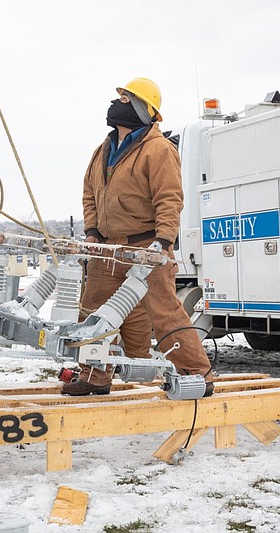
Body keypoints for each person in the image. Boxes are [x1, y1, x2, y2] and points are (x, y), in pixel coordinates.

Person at [63, 78, 214, 397]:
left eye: (125, 98)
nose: (117, 102)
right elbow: (90, 193)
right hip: (108, 248)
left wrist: (163, 240)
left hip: (147, 247)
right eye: (118, 97)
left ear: (145, 111)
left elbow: (170, 197)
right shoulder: (102, 150)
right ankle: (94, 376)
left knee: (164, 314)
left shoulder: (158, 149)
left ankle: (197, 374)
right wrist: (92, 231)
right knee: (93, 312)